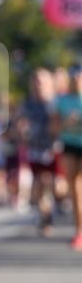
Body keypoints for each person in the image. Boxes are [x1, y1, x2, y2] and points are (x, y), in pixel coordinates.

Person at [16, 69, 58, 236]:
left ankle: (54, 207)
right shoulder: (27, 103)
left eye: (42, 81)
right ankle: (45, 215)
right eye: (36, 81)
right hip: (35, 148)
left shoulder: (55, 102)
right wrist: (21, 130)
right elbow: (19, 122)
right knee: (41, 182)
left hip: (55, 148)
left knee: (56, 185)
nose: (39, 84)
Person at [53, 65, 82, 250]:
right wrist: (66, 122)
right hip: (70, 145)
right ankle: (79, 231)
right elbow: (54, 127)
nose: (76, 81)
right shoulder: (62, 101)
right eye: (74, 78)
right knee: (75, 188)